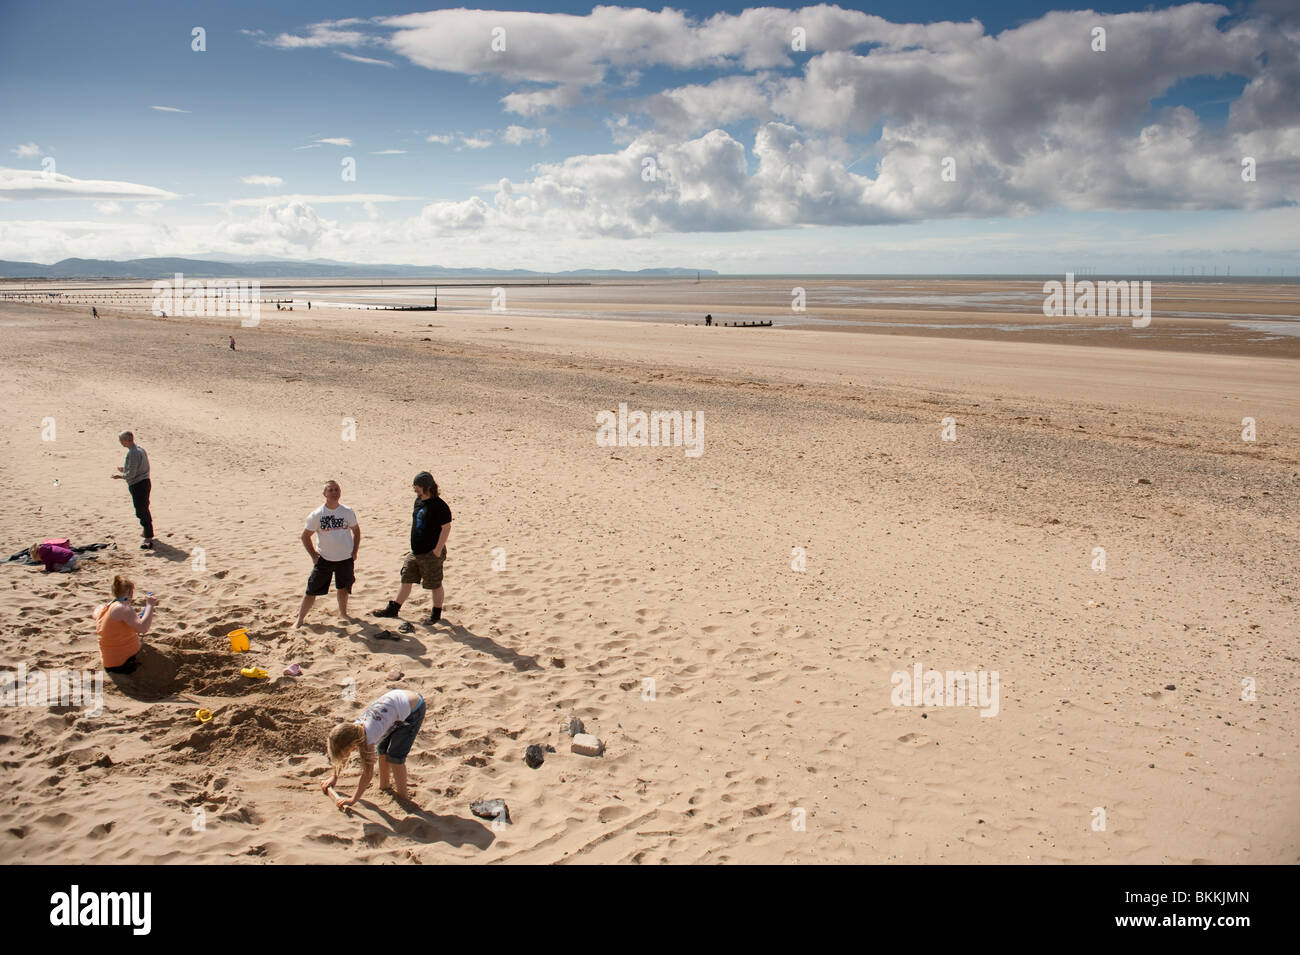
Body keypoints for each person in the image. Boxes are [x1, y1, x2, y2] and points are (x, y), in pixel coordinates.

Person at [321, 688, 425, 808]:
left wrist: (353, 799)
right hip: (396, 704)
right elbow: (343, 754)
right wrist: (334, 777)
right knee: (382, 750)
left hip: (414, 709)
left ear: (351, 744)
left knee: (395, 757)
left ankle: (404, 798)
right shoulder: (353, 730)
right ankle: (385, 785)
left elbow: (368, 773)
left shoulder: (368, 738)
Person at [373, 472, 451, 624]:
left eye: (417, 487)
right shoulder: (418, 501)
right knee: (406, 579)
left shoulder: (440, 506)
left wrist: (437, 550)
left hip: (431, 553)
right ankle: (394, 609)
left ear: (427, 487)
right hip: (415, 552)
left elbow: (446, 528)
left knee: (435, 584)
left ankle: (436, 614)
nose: (415, 489)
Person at [295, 480, 361, 629]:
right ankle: (300, 619)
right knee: (311, 590)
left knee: (343, 588)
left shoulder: (347, 511)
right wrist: (313, 555)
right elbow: (305, 536)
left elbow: (356, 531)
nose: (334, 492)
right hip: (324, 559)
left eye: (336, 489)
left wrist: (355, 551)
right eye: (330, 490)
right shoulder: (317, 514)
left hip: (345, 558)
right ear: (324, 494)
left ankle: (343, 613)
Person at [94, 574, 157, 674]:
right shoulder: (123, 608)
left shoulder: (104, 607)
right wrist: (149, 605)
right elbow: (143, 629)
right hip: (123, 663)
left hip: (108, 662)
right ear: (130, 592)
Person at [111, 431, 153, 549]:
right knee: (143, 508)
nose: (121, 443)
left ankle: (148, 535)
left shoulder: (133, 453)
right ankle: (147, 531)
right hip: (144, 482)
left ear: (128, 440)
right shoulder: (140, 450)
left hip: (138, 484)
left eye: (122, 440)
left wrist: (120, 476)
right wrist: (124, 469)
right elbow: (139, 467)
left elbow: (132, 474)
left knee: (141, 510)